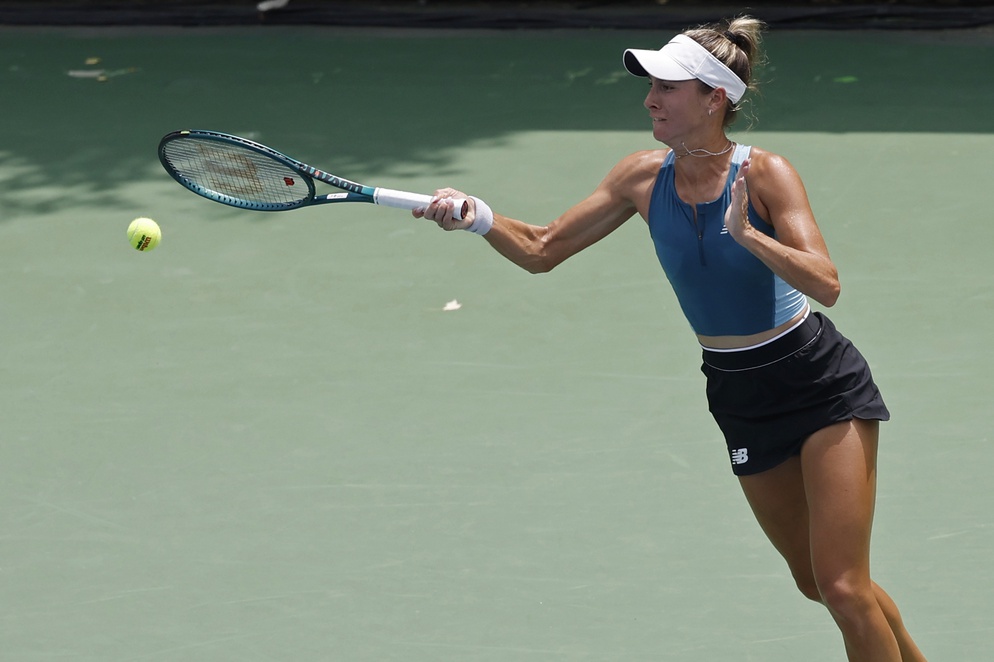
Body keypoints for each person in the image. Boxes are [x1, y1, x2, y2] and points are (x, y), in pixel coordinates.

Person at [414, 15, 927, 662]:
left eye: (669, 86)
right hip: (738, 394)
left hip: (818, 383)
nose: (651, 98)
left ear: (716, 98)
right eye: (651, 85)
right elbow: (543, 250)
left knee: (846, 587)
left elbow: (826, 283)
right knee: (815, 584)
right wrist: (479, 218)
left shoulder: (766, 174)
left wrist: (750, 235)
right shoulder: (639, 176)